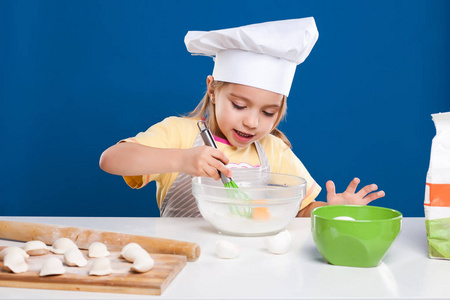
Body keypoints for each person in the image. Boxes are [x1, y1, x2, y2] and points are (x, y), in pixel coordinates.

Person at [99, 17, 385, 217]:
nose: (252, 122)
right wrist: (182, 159)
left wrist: (332, 211)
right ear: (212, 89)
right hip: (187, 265)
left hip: (253, 270)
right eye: (239, 105)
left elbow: (299, 211)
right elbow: (111, 159)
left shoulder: (273, 150)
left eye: (268, 112)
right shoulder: (179, 133)